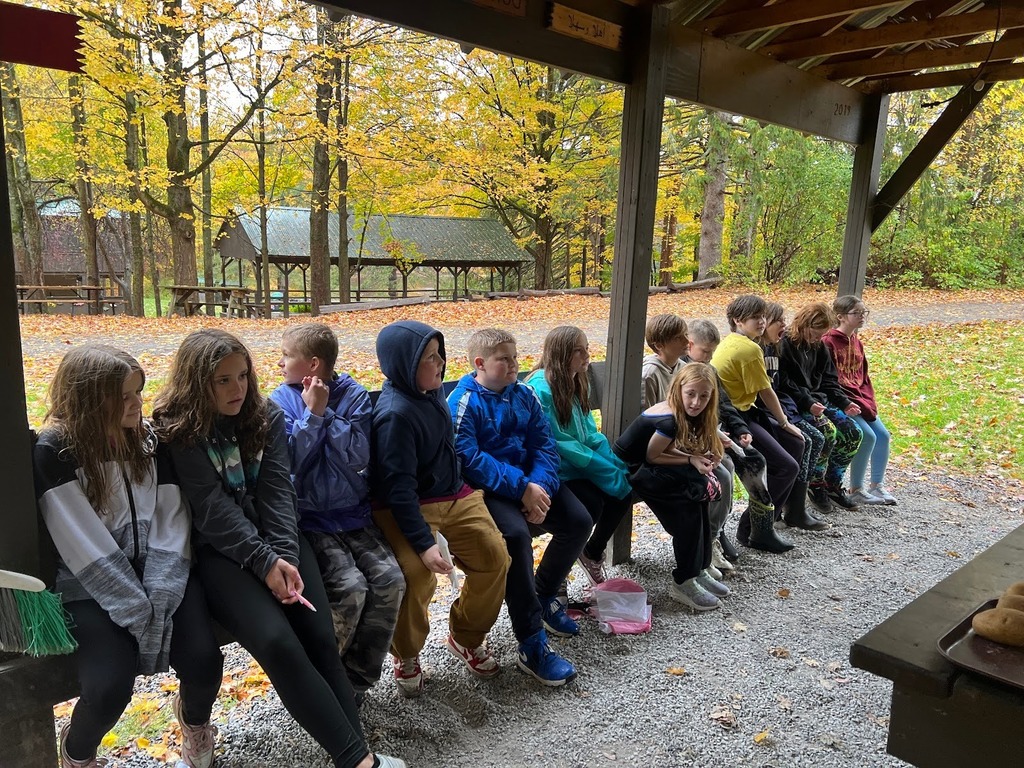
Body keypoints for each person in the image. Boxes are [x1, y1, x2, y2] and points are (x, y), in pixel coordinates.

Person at [154, 329, 404, 768]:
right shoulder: (181, 429)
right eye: (223, 381)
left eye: (243, 376)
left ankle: (357, 757)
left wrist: (283, 556)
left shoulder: (263, 415)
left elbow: (277, 492)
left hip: (278, 541)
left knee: (319, 636)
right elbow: (211, 510)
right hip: (220, 553)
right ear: (198, 383)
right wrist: (264, 562)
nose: (238, 389)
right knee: (277, 642)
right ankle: (360, 761)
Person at [34, 345, 222, 768]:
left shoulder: (150, 440)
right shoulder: (57, 451)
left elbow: (172, 516)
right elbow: (81, 540)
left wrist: (160, 588)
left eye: (137, 391)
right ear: (88, 398)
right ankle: (78, 753)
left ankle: (194, 723)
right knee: (109, 685)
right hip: (90, 585)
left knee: (204, 660)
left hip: (162, 572)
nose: (138, 403)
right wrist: (138, 608)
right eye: (123, 396)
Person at [370, 320, 510, 698]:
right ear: (404, 364)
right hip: (408, 504)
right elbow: (397, 489)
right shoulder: (395, 415)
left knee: (495, 556)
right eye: (429, 358)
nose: (441, 364)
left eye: (439, 354)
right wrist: (423, 543)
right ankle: (407, 654)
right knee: (415, 573)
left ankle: (465, 635)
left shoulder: (431, 393)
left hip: (454, 494)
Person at [269, 323, 405, 699]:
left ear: (312, 364)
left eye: (287, 355)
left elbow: (358, 457)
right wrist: (312, 417)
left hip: (353, 514)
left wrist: (323, 414)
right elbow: (290, 461)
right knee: (350, 588)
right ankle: (322, 676)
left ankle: (356, 680)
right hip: (311, 520)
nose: (280, 362)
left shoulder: (356, 396)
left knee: (391, 580)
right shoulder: (279, 401)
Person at [448, 328, 588, 686]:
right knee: (514, 537)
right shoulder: (464, 402)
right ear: (480, 363)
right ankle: (531, 643)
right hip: (490, 491)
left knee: (578, 520)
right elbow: (469, 459)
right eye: (504, 360)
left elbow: (544, 445)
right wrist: (521, 488)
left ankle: (543, 596)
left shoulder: (524, 394)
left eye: (515, 357)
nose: (514, 364)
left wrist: (540, 486)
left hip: (532, 483)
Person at [613, 363, 727, 610]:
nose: (696, 402)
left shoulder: (684, 414)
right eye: (691, 394)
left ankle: (699, 568)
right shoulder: (669, 419)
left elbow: (663, 450)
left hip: (648, 465)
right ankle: (683, 581)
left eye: (704, 396)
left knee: (700, 497)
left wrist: (696, 457)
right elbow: (652, 456)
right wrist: (689, 459)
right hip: (632, 470)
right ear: (678, 390)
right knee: (688, 509)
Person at [525, 326, 633, 586]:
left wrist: (612, 462)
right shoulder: (542, 388)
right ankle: (553, 579)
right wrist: (601, 468)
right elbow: (559, 443)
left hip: (576, 465)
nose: (587, 355)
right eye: (578, 350)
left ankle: (590, 553)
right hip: (554, 470)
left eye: (587, 348)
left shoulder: (574, 381)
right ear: (561, 354)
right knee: (591, 504)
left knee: (624, 491)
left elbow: (588, 433)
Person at [709, 295, 804, 553]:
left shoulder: (738, 342)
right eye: (755, 318)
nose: (762, 322)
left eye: (763, 316)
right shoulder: (749, 349)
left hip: (744, 414)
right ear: (738, 320)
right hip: (734, 421)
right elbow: (766, 391)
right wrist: (784, 422)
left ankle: (768, 521)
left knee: (795, 445)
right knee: (786, 466)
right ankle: (753, 528)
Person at [686, 319, 781, 558]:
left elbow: (726, 405)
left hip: (723, 433)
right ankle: (716, 534)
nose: (708, 357)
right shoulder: (685, 373)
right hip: (703, 441)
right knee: (725, 469)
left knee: (756, 460)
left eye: (711, 352)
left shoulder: (711, 372)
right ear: (689, 346)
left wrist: (740, 430)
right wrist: (715, 436)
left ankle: (761, 528)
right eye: (704, 351)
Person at [648, 315, 731, 575]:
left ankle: (708, 546)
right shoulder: (651, 372)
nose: (687, 341)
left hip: (676, 444)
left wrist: (709, 442)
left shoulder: (681, 368)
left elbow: (697, 414)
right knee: (711, 481)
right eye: (680, 338)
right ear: (660, 344)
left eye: (687, 336)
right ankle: (694, 565)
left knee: (723, 465)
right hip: (657, 454)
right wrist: (691, 456)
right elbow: (653, 432)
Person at [778, 303, 864, 510]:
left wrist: (844, 402)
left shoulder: (819, 347)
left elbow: (829, 380)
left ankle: (832, 483)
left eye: (821, 335)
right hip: (797, 403)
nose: (818, 339)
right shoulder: (785, 344)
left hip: (819, 401)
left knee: (854, 433)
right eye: (815, 334)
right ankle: (815, 485)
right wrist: (807, 402)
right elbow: (785, 383)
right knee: (828, 432)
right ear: (804, 325)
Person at [759, 302, 828, 531]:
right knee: (805, 440)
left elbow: (780, 385)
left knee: (815, 439)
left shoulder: (774, 348)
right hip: (763, 414)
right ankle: (785, 509)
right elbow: (764, 392)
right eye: (779, 321)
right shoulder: (760, 349)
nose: (784, 325)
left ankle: (796, 508)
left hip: (785, 407)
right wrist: (788, 417)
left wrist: (799, 408)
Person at [823, 295, 897, 506]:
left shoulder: (857, 342)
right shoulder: (829, 343)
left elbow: (863, 376)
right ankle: (856, 488)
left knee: (882, 435)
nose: (862, 317)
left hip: (860, 399)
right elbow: (831, 381)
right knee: (867, 436)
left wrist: (868, 399)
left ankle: (877, 485)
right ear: (841, 316)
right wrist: (847, 402)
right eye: (857, 313)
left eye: (864, 312)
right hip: (842, 400)